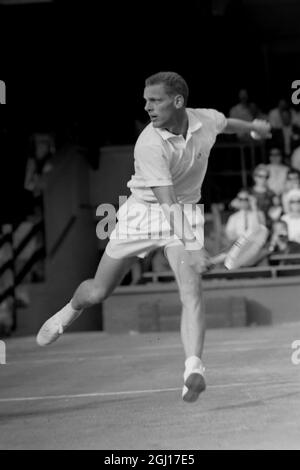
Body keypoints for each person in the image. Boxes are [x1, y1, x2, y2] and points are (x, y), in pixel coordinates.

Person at [36, 71, 271, 403]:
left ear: (178, 102)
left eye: (155, 100)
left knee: (192, 292)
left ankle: (194, 369)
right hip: (143, 213)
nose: (147, 106)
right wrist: (195, 245)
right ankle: (68, 312)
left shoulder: (205, 120)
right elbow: (166, 203)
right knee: (99, 291)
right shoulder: (149, 143)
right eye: (146, 100)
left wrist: (253, 127)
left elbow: (225, 123)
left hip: (185, 210)